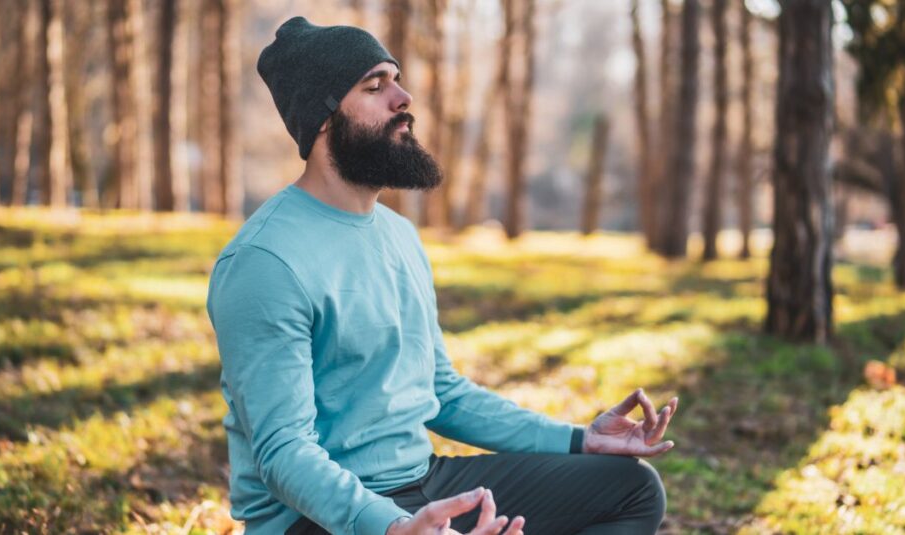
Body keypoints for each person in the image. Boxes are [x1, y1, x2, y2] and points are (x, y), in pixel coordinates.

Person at [206, 16, 679, 535]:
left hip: (419, 482)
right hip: (315, 518)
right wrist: (393, 528)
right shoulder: (265, 261)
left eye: (397, 79)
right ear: (323, 117)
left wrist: (578, 441)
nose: (403, 97)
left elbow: (439, 390)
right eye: (375, 86)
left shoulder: (398, 235)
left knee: (630, 489)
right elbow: (283, 453)